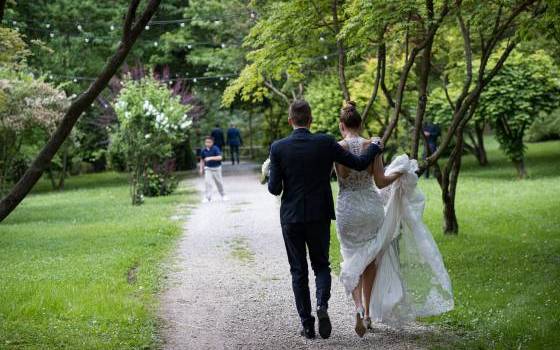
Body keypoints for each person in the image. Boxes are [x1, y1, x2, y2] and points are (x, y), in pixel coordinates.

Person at [334, 102, 454, 337]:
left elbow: (343, 175)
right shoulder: (373, 145)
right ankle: (368, 314)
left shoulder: (337, 147)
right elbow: (380, 182)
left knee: (351, 256)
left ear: (342, 126)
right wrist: (401, 171)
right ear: (360, 125)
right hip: (370, 207)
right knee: (370, 260)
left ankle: (357, 308)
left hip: (347, 208)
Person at [267, 100, 382, 340]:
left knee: (298, 270)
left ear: (290, 121)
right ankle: (322, 305)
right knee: (321, 265)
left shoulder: (278, 148)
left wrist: (269, 173)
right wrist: (376, 146)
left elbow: (274, 189)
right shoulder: (325, 142)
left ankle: (307, 325)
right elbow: (360, 163)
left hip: (292, 217)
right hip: (319, 215)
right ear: (310, 120)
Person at [199, 136, 227, 202]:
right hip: (208, 168)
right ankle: (208, 197)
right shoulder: (203, 150)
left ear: (212, 142)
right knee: (207, 182)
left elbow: (220, 157)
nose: (207, 143)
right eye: (206, 142)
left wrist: (210, 158)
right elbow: (202, 160)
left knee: (219, 182)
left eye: (209, 142)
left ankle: (223, 195)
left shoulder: (215, 148)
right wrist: (201, 169)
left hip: (216, 168)